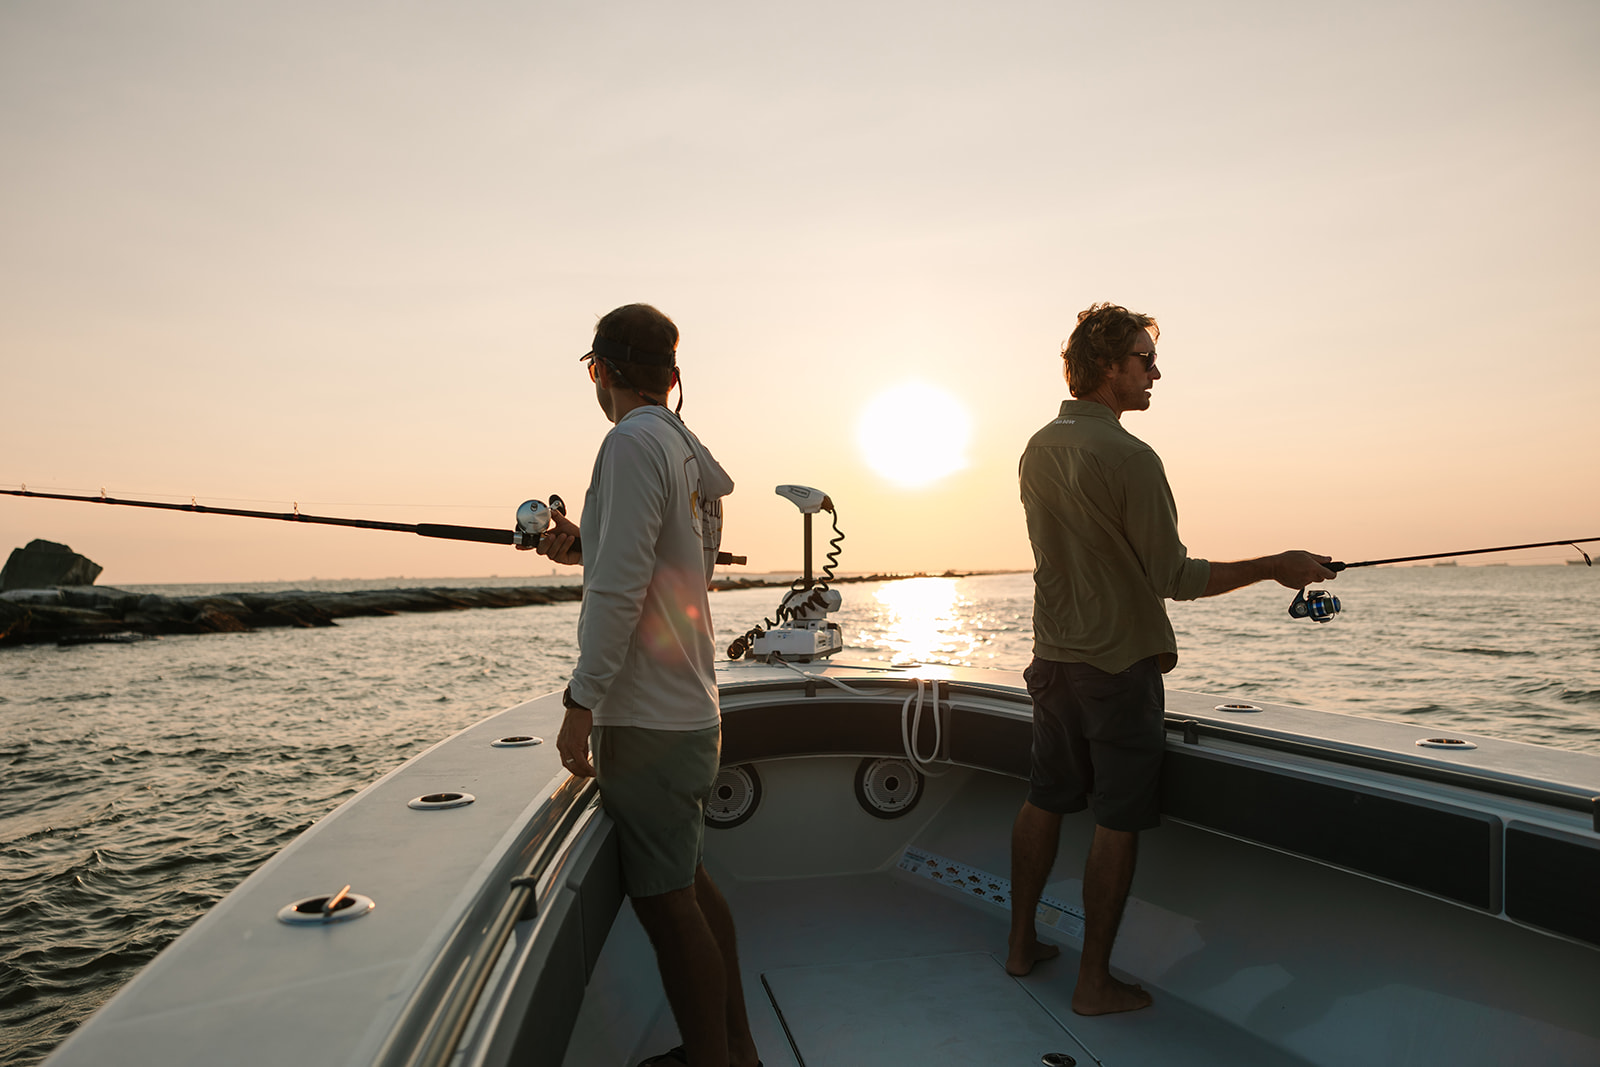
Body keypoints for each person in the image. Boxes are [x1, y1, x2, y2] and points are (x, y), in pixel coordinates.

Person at [1005, 302, 1334, 1016]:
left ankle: (1020, 944)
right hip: (1118, 668)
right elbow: (1174, 578)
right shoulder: (1130, 455)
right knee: (1115, 820)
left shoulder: (1036, 446)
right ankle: (1093, 984)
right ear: (1106, 368)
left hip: (1051, 660)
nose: (1156, 371)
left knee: (1044, 798)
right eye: (1144, 360)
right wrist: (1278, 563)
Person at [535, 304, 759, 1067]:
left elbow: (621, 592)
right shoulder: (683, 451)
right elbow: (663, 568)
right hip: (692, 710)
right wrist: (586, 546)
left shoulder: (628, 444)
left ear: (599, 371)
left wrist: (581, 699)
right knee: (689, 883)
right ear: (670, 376)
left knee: (667, 904)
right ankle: (739, 1050)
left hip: (649, 720)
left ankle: (713, 1060)